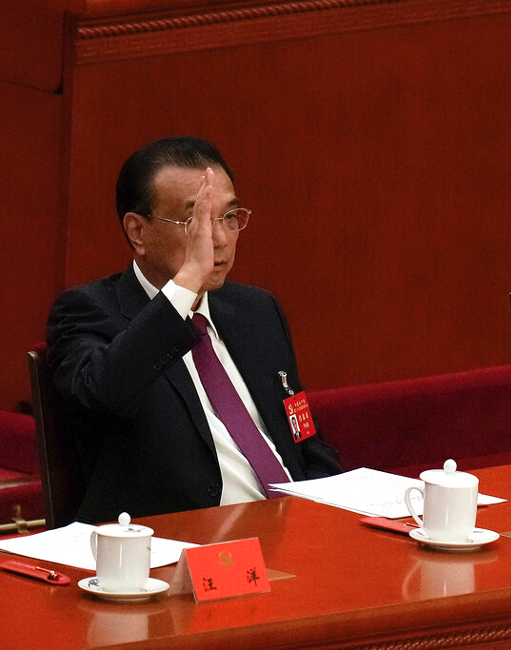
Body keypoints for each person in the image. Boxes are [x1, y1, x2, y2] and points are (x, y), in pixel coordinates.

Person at [47, 136, 341, 523]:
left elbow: (301, 436)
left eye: (229, 217)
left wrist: (338, 513)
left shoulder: (256, 310)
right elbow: (104, 391)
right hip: (181, 548)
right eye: (195, 221)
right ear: (137, 232)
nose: (218, 239)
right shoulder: (88, 312)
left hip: (289, 532)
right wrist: (186, 284)